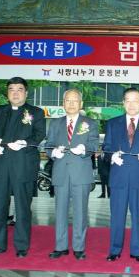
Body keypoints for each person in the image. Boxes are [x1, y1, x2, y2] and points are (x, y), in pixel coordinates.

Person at [0, 77, 46, 258]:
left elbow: (39, 134)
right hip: (0, 165)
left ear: (26, 93)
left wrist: (25, 143)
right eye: (11, 89)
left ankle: (21, 246)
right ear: (7, 93)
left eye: (20, 89)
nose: (15, 93)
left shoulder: (36, 112)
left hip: (23, 165)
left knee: (22, 207)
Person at [103, 87, 139, 263]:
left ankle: (136, 250)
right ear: (123, 103)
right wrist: (111, 156)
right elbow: (106, 147)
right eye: (128, 100)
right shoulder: (113, 123)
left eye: (135, 100)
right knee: (117, 215)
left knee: (138, 215)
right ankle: (114, 249)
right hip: (119, 176)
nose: (132, 104)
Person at [46, 89, 99, 260]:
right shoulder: (55, 123)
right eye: (67, 100)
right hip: (61, 171)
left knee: (80, 211)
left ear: (81, 104)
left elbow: (93, 144)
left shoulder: (90, 123)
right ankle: (60, 246)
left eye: (75, 100)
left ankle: (78, 247)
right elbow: (48, 145)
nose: (71, 104)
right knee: (60, 211)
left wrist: (84, 150)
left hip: (81, 172)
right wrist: (54, 153)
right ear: (63, 103)